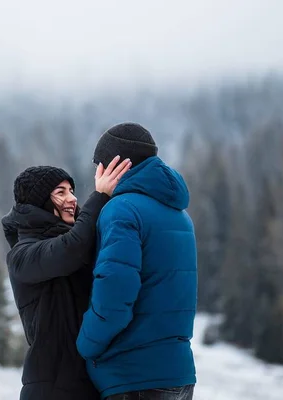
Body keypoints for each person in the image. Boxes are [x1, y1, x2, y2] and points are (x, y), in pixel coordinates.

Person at [76, 122, 198, 400]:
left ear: (115, 165)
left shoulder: (121, 210)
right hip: (178, 375)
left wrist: (85, 345)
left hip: (134, 378)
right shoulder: (180, 215)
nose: (96, 173)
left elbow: (115, 296)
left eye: (99, 164)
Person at [1, 157, 131, 400]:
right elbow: (71, 249)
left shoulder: (72, 242)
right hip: (49, 388)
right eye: (60, 192)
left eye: (71, 190)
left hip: (87, 384)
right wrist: (100, 196)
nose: (72, 198)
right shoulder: (22, 255)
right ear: (39, 202)